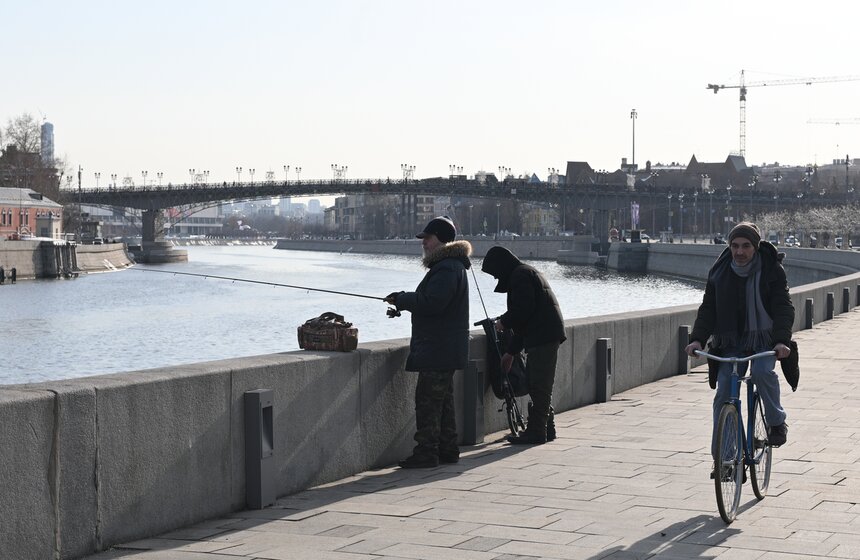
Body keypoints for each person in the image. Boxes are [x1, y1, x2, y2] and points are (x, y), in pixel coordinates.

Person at [685, 222, 794, 461]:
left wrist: (781, 341)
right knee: (724, 389)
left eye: (746, 246)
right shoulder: (719, 272)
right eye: (735, 246)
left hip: (764, 339)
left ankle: (777, 423)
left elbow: (783, 306)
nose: (740, 252)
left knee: (763, 372)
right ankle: (724, 458)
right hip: (731, 340)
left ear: (755, 247)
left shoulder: (771, 270)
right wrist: (697, 340)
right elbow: (708, 309)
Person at [385, 216, 472, 468]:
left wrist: (403, 299)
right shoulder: (453, 266)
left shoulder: (445, 268)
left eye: (428, 238)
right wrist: (405, 301)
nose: (423, 242)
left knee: (428, 403)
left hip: (438, 348)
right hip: (445, 348)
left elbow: (433, 303)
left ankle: (426, 452)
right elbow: (434, 303)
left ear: (441, 240)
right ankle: (447, 448)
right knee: (443, 402)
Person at [481, 246, 566, 445]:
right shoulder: (525, 272)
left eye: (495, 274)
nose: (495, 279)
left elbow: (522, 312)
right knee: (538, 384)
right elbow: (523, 322)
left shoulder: (520, 276)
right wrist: (510, 352)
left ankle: (537, 431)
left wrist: (503, 322)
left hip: (543, 335)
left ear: (501, 267)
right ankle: (546, 427)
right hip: (544, 333)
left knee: (539, 385)